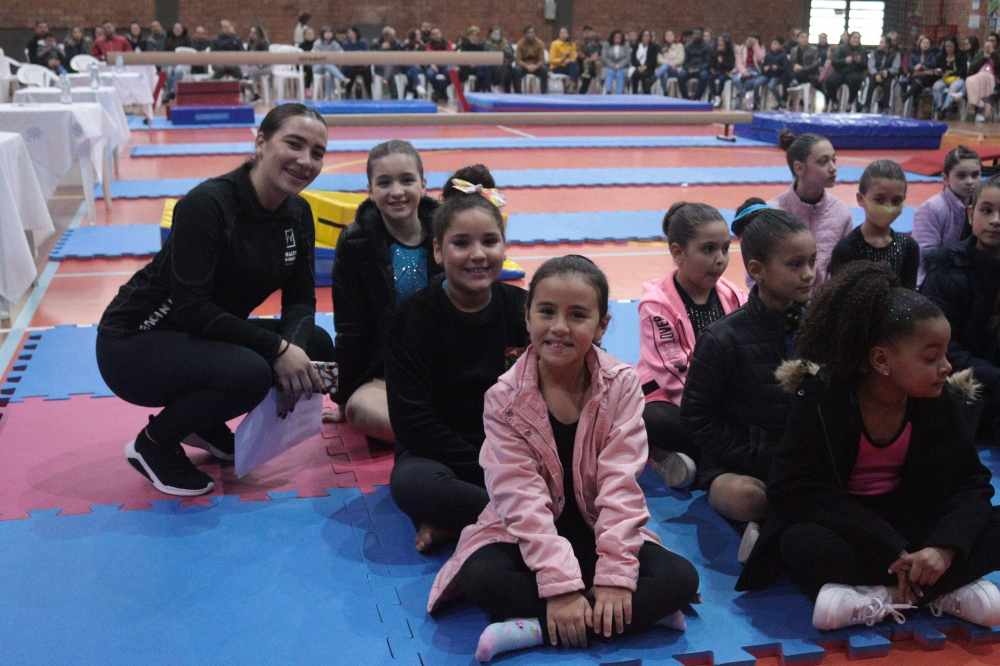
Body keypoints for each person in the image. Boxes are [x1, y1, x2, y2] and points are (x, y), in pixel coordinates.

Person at [427, 255, 700, 662]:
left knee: (681, 577)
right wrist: (560, 587)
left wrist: (615, 577)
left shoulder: (621, 385)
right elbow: (519, 499)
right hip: (529, 536)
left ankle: (533, 629)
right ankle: (632, 616)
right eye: (547, 312)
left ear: (602, 326)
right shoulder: (504, 398)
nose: (559, 327)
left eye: (577, 315)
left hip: (597, 529)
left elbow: (621, 485)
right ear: (527, 317)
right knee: (480, 577)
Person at [737, 262, 1000, 631]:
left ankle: (885, 595)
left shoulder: (943, 402)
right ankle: (937, 590)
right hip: (852, 526)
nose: (946, 366)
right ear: (881, 360)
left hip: (912, 521)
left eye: (944, 354)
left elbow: (971, 485)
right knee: (801, 542)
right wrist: (891, 548)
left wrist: (944, 548)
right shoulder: (822, 400)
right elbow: (792, 488)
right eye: (931, 357)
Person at [95, 104, 332, 497]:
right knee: (251, 372)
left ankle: (201, 421)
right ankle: (153, 444)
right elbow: (192, 309)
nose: (305, 161)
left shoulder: (298, 212)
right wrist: (277, 349)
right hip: (133, 343)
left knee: (315, 345)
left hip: (200, 337)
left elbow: (301, 299)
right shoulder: (207, 204)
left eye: (317, 153)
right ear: (260, 143)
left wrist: (293, 350)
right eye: (294, 144)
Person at [387, 165, 529, 554]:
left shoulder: (524, 310)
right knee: (413, 485)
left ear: (504, 247)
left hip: (513, 453)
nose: (478, 255)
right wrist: (486, 465)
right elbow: (413, 424)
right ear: (438, 250)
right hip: (440, 456)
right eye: (461, 243)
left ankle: (465, 522)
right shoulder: (414, 318)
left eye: (490, 241)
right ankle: (522, 518)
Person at [681, 199, 817, 564]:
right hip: (740, 466)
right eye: (795, 265)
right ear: (757, 270)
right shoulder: (722, 338)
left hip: (799, 462)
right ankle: (776, 521)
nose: (809, 274)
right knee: (747, 498)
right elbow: (696, 418)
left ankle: (773, 530)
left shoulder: (818, 327)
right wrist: (756, 452)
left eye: (812, 261)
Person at [325, 141, 440, 445]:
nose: (396, 191)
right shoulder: (355, 243)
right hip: (387, 373)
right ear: (370, 190)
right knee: (360, 411)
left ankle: (433, 429)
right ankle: (441, 432)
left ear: (423, 184)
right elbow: (349, 328)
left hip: (446, 366)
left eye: (407, 180)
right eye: (385, 182)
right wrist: (342, 398)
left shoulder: (448, 232)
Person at [638, 203, 747, 489]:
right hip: (670, 395)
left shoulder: (734, 296)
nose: (720, 259)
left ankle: (688, 459)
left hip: (722, 398)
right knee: (650, 419)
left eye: (725, 249)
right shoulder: (656, 305)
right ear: (678, 253)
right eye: (708, 249)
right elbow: (673, 374)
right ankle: (680, 456)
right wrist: (714, 413)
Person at [922, 174, 1000, 442]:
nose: (996, 220)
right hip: (957, 392)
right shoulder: (946, 273)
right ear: (970, 214)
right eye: (986, 210)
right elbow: (943, 351)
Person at [768, 131, 853, 293]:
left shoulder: (841, 212)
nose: (833, 168)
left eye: (834, 160)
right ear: (799, 168)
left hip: (825, 303)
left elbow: (845, 267)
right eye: (823, 161)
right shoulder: (773, 213)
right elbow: (757, 273)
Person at [828, 160, 918, 289]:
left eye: (896, 201)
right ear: (861, 199)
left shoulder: (909, 247)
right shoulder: (846, 250)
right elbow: (838, 296)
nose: (888, 207)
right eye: (879, 200)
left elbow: (909, 295)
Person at [912, 146, 981, 285]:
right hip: (934, 280)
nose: (970, 181)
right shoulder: (931, 208)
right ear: (945, 178)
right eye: (961, 176)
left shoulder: (982, 208)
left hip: (970, 276)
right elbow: (925, 256)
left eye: (975, 175)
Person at [826, 31, 867, 109]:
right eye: (854, 38)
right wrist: (844, 61)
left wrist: (859, 62)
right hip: (840, 72)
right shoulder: (841, 48)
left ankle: (850, 101)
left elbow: (865, 66)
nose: (856, 40)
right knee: (829, 81)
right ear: (850, 38)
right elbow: (834, 62)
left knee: (856, 80)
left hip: (854, 72)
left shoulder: (863, 50)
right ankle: (834, 101)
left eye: (858, 38)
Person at [964, 39, 1000, 122]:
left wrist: (992, 53)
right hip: (979, 78)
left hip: (995, 79)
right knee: (972, 80)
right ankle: (979, 112)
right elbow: (972, 67)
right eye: (989, 41)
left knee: (983, 79)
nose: (990, 43)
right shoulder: (980, 53)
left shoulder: (997, 54)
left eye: (993, 41)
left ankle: (979, 112)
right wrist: (984, 58)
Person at [863, 35, 901, 113]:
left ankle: (886, 107)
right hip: (875, 75)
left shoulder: (895, 54)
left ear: (887, 45)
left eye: (881, 42)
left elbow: (895, 68)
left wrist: (888, 72)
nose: (879, 44)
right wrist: (876, 74)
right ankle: (866, 105)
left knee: (889, 84)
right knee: (869, 82)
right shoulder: (874, 53)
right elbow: (871, 66)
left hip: (889, 76)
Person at [931, 36, 966, 119]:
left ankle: (945, 108)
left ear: (955, 46)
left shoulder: (961, 55)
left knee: (953, 87)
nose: (948, 49)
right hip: (945, 79)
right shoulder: (942, 56)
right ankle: (939, 107)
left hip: (958, 78)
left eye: (950, 46)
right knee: (936, 86)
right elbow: (939, 67)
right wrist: (939, 71)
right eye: (946, 46)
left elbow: (963, 71)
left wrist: (951, 73)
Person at [905, 35, 939, 115]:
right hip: (915, 76)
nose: (925, 45)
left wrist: (921, 65)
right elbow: (909, 66)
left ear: (930, 45)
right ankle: (914, 106)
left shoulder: (933, 54)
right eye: (923, 43)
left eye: (927, 43)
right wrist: (915, 68)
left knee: (920, 80)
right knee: (917, 84)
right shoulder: (913, 54)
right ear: (920, 44)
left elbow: (934, 64)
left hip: (927, 78)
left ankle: (908, 96)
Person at [312, 26, 349, 100]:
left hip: (331, 68)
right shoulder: (317, 43)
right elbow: (315, 56)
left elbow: (341, 53)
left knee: (328, 74)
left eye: (330, 32)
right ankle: (342, 78)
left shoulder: (335, 44)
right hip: (318, 67)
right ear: (322, 34)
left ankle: (328, 96)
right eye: (326, 32)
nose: (328, 34)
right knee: (326, 62)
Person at [678, 27, 713, 100]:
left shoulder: (707, 47)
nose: (696, 36)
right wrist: (688, 68)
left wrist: (699, 68)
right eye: (695, 34)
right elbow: (685, 61)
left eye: (698, 34)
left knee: (704, 76)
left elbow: (708, 62)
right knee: (681, 75)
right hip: (690, 68)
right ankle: (685, 97)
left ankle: (697, 98)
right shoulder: (688, 46)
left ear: (702, 35)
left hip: (701, 69)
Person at [732, 33, 766, 110]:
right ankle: (746, 95)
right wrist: (744, 72)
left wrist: (755, 46)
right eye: (748, 40)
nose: (749, 42)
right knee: (735, 79)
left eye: (751, 41)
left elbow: (760, 59)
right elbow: (739, 63)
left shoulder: (761, 48)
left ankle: (753, 103)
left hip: (755, 70)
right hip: (744, 69)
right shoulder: (742, 48)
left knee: (750, 83)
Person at [784, 29, 820, 100]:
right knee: (785, 75)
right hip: (796, 72)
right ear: (797, 39)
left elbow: (815, 65)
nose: (805, 39)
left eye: (806, 37)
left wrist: (802, 68)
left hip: (809, 74)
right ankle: (785, 99)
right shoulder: (794, 50)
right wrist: (794, 66)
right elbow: (791, 62)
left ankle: (794, 83)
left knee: (797, 75)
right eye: (802, 37)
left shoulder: (814, 50)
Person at [162, 23, 194, 102]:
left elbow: (191, 51)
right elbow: (165, 53)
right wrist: (172, 62)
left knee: (178, 71)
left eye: (179, 28)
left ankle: (174, 92)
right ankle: (169, 91)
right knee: (168, 72)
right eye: (176, 28)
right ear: (172, 30)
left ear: (182, 29)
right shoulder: (168, 39)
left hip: (185, 62)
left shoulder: (187, 38)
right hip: (171, 62)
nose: (178, 30)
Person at [513, 24, 548, 94]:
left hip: (536, 66)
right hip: (524, 66)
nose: (530, 35)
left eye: (532, 33)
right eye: (528, 33)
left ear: (535, 33)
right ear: (524, 34)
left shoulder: (540, 44)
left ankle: (543, 93)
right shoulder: (520, 44)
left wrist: (536, 66)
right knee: (517, 70)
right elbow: (518, 60)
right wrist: (527, 66)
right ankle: (518, 93)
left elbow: (542, 60)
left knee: (544, 69)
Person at [341, 26, 372, 99]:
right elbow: (345, 55)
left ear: (355, 33)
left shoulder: (363, 42)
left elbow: (367, 54)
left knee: (367, 72)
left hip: (362, 65)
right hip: (351, 66)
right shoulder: (345, 43)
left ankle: (369, 92)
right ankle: (348, 92)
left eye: (349, 32)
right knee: (351, 73)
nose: (348, 34)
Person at [459, 26, 492, 93]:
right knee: (485, 67)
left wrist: (477, 63)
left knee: (481, 74)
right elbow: (463, 57)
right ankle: (487, 89)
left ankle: (476, 91)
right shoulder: (464, 45)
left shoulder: (480, 46)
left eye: (476, 35)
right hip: (467, 67)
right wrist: (470, 63)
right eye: (472, 35)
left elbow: (482, 57)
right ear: (468, 36)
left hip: (478, 66)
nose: (474, 37)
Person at [484, 25, 514, 93]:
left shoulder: (505, 43)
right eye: (495, 34)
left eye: (498, 34)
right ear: (490, 34)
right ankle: (494, 87)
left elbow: (511, 55)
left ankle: (500, 87)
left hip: (504, 65)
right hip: (491, 65)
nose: (497, 36)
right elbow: (486, 55)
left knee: (506, 68)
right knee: (507, 72)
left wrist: (506, 50)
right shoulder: (486, 43)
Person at [707, 35, 735, 106]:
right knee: (710, 78)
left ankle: (718, 95)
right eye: (719, 45)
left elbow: (730, 67)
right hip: (717, 72)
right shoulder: (716, 53)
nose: (719, 46)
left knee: (721, 79)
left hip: (725, 73)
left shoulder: (730, 55)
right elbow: (711, 62)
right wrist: (711, 68)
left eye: (721, 45)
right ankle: (715, 95)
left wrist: (722, 62)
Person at [760, 39, 788, 108]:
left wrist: (778, 68)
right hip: (767, 75)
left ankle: (780, 101)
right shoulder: (768, 54)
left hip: (777, 76)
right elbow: (763, 65)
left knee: (771, 86)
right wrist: (764, 68)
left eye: (775, 44)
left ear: (780, 46)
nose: (773, 46)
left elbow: (785, 68)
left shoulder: (783, 55)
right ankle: (757, 102)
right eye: (772, 44)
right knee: (757, 83)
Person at [550, 26, 580, 92]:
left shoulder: (571, 44)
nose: (563, 35)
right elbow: (552, 60)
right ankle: (572, 86)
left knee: (575, 65)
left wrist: (567, 61)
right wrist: (562, 60)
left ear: (568, 35)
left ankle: (571, 84)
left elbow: (573, 58)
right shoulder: (555, 44)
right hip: (557, 67)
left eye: (565, 33)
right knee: (576, 69)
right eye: (561, 33)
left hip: (568, 66)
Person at [601, 30, 630, 95]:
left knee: (620, 74)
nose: (617, 39)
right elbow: (604, 57)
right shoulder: (607, 44)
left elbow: (628, 58)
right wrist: (612, 65)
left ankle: (619, 93)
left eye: (619, 38)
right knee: (610, 72)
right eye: (615, 38)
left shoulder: (626, 44)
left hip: (622, 67)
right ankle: (608, 90)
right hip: (609, 66)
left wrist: (618, 66)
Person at [630, 29, 659, 94]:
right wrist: (638, 66)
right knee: (635, 75)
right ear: (642, 36)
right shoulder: (636, 46)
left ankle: (646, 94)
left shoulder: (653, 47)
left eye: (648, 36)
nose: (647, 37)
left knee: (645, 75)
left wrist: (645, 66)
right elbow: (633, 58)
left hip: (648, 68)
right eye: (645, 35)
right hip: (638, 67)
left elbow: (653, 60)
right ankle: (634, 94)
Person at [577, 25, 603, 94]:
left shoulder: (599, 44)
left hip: (596, 64)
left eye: (589, 31)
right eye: (586, 31)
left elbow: (601, 52)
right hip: (583, 64)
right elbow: (579, 53)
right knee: (588, 71)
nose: (587, 33)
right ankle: (583, 92)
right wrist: (588, 57)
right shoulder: (579, 43)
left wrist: (597, 57)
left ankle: (585, 91)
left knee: (593, 69)